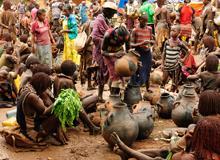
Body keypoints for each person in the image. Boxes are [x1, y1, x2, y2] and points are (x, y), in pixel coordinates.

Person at [53, 60, 100, 135]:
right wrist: (84, 97)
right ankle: (90, 126)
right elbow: (75, 100)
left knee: (88, 98)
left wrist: (85, 96)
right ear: (72, 72)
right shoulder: (68, 81)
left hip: (62, 106)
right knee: (95, 98)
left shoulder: (57, 78)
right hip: (68, 109)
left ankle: (88, 125)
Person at [92, 1, 117, 102]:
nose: (113, 15)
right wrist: (106, 41)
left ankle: (112, 95)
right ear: (107, 11)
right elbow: (94, 37)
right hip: (100, 51)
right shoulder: (99, 20)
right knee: (102, 73)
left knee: (110, 72)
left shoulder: (106, 19)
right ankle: (100, 96)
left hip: (107, 50)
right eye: (112, 13)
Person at [102, 25, 130, 95]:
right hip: (109, 54)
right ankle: (113, 95)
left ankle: (121, 92)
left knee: (121, 73)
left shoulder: (127, 36)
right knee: (114, 75)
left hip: (120, 53)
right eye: (121, 39)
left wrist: (128, 57)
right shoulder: (108, 35)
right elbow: (103, 52)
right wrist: (114, 54)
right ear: (117, 35)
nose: (123, 41)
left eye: (124, 39)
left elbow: (128, 50)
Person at [130, 12, 154, 90]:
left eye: (146, 21)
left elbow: (152, 40)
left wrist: (151, 42)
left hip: (147, 52)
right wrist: (141, 43)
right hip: (139, 53)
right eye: (143, 21)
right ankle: (135, 89)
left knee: (148, 70)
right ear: (139, 20)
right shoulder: (135, 30)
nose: (145, 23)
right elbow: (131, 44)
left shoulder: (149, 29)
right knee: (139, 71)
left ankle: (147, 88)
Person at [162, 25, 189, 92]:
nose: (171, 32)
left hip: (175, 65)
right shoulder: (167, 42)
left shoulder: (180, 43)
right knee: (163, 80)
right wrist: (163, 63)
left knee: (174, 82)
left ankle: (173, 93)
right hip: (167, 64)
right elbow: (164, 53)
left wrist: (183, 59)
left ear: (179, 33)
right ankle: (163, 94)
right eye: (171, 30)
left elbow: (188, 51)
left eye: (174, 31)